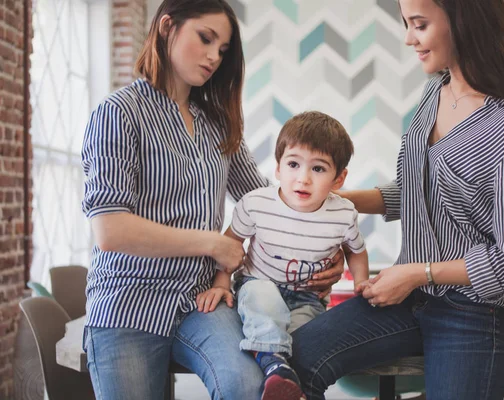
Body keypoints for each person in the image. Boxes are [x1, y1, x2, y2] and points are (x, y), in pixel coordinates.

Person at [289, 0, 504, 399]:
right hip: (411, 298)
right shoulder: (433, 95)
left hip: (476, 314)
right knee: (295, 358)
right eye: (407, 24)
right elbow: (416, 192)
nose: (409, 38)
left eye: (419, 24)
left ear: (461, 20)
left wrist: (416, 273)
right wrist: (331, 199)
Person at [80, 1, 343, 399]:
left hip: (201, 300)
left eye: (222, 51)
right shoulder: (118, 113)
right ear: (167, 26)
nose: (213, 58)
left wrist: (326, 238)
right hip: (126, 302)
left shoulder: (218, 125)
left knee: (249, 386)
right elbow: (110, 230)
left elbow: (272, 200)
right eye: (206, 39)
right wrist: (212, 243)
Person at [195, 111, 370, 400]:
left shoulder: (343, 213)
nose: (303, 179)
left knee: (304, 347)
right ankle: (274, 363)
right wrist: (222, 282)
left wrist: (361, 283)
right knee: (263, 304)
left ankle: (286, 381)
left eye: (318, 169)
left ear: (339, 178)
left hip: (308, 297)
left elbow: (356, 250)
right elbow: (232, 243)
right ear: (278, 168)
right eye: (293, 164)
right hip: (259, 284)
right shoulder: (256, 204)